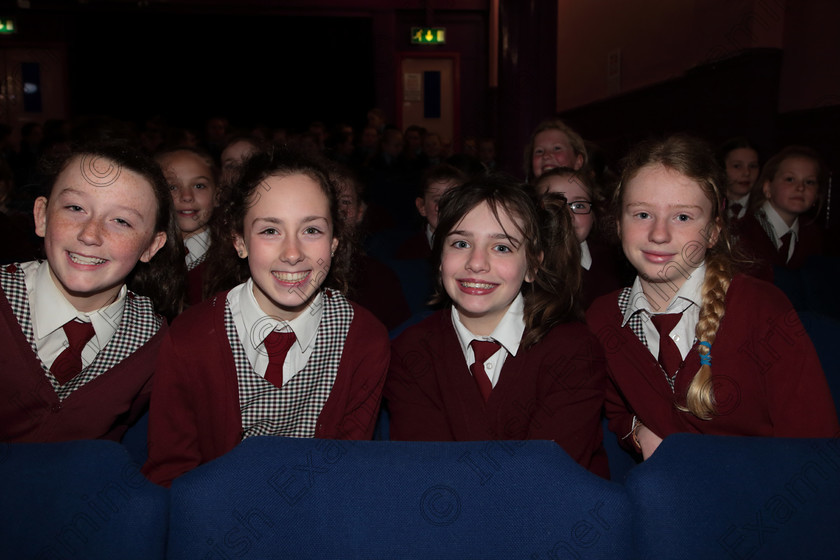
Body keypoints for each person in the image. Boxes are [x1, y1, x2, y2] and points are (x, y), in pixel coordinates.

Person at [143, 149, 390, 487]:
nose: (292, 254)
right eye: (270, 231)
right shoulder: (190, 338)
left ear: (334, 242)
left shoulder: (364, 339)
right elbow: (172, 473)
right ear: (239, 241)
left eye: (312, 231)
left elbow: (347, 468)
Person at [586, 135, 839, 461]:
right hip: (667, 497)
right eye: (642, 214)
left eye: (683, 217)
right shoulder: (603, 318)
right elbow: (616, 409)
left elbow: (814, 443)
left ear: (714, 230)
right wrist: (637, 433)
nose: (659, 234)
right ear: (618, 224)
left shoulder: (762, 307)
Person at [386, 176, 609, 478]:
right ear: (440, 258)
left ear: (532, 265)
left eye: (502, 247)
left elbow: (551, 477)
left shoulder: (573, 350)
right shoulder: (410, 351)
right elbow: (427, 474)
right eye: (461, 243)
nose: (477, 263)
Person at [0, 141, 182, 442]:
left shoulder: (153, 341)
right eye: (75, 208)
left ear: (152, 245)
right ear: (42, 215)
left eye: (121, 221)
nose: (89, 234)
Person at [534, 167, 623, 308]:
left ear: (593, 215)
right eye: (555, 205)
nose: (568, 215)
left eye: (579, 205)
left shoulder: (613, 268)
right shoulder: (523, 268)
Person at [735, 146, 826, 278]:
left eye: (809, 182)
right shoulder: (740, 233)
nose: (800, 188)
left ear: (817, 194)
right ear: (767, 187)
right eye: (790, 179)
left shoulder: (813, 236)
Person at [156, 147, 219, 306]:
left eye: (199, 186)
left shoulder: (233, 262)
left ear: (217, 196)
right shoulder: (142, 257)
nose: (186, 196)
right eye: (172, 187)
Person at [395, 164, 468, 260]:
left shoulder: (474, 246)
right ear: (422, 207)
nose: (445, 206)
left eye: (452, 200)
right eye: (437, 200)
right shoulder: (409, 251)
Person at [716, 138, 759, 221]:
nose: (747, 173)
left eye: (752, 166)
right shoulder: (712, 204)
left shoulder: (766, 209)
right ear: (722, 168)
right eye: (737, 166)